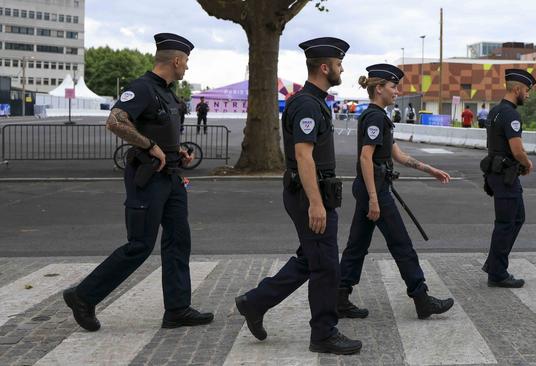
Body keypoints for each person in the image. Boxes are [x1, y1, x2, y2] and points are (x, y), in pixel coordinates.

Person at [62, 33, 213, 331]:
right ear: (177, 60)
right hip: (148, 178)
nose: (187, 69)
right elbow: (115, 121)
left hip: (171, 177)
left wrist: (176, 150)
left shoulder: (167, 92)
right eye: (186, 63)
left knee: (178, 241)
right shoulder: (142, 88)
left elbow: (160, 130)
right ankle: (83, 296)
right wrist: (148, 146)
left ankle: (177, 310)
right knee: (140, 245)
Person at [234, 37, 362, 355]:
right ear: (324, 67)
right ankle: (323, 334)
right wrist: (316, 203)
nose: (341, 68)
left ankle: (255, 302)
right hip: (310, 195)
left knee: (312, 258)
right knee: (327, 266)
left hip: (311, 192)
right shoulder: (306, 103)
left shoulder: (313, 101)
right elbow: (303, 156)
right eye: (338, 64)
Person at [337, 63, 454, 320]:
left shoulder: (378, 116)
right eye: (393, 87)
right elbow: (366, 158)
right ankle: (421, 298)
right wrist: (375, 199)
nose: (397, 91)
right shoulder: (375, 117)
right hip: (375, 190)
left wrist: (429, 169)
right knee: (402, 245)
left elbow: (397, 154)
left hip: (371, 188)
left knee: (357, 246)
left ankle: (340, 296)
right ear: (379, 89)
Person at [479, 69, 535, 288]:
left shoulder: (494, 111)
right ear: (517, 89)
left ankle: (494, 264)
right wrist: (527, 163)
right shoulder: (511, 114)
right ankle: (497, 273)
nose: (528, 95)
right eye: (527, 91)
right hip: (505, 175)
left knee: (517, 218)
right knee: (506, 223)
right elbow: (517, 149)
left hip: (497, 172)